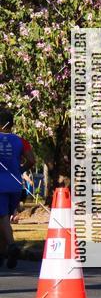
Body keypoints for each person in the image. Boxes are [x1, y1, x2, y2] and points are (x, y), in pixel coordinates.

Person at [0, 108, 35, 269]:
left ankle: (12, 246)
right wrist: (19, 170)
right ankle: (2, 255)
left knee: (2, 218)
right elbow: (31, 160)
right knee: (4, 219)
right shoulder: (21, 141)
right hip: (15, 185)